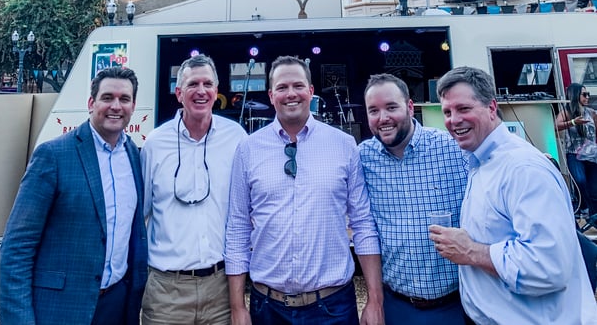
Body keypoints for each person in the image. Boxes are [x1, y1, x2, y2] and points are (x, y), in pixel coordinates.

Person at [431, 66, 597, 325]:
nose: (453, 120)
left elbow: (548, 266)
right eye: (447, 112)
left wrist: (470, 251)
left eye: (464, 109)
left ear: (492, 107)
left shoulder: (523, 168)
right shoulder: (482, 161)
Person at [226, 55, 384, 325]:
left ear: (310, 91)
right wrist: (237, 306)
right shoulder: (248, 149)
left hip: (332, 306)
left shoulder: (344, 145)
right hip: (267, 307)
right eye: (282, 88)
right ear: (271, 94)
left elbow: (363, 224)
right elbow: (238, 227)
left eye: (298, 86)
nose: (291, 94)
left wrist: (375, 300)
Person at [0, 66, 147, 325]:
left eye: (124, 99)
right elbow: (17, 247)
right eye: (107, 97)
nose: (116, 106)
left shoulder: (134, 155)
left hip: (117, 306)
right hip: (61, 309)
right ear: (91, 103)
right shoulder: (53, 156)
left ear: (133, 106)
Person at [141, 53, 246, 325]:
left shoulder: (236, 138)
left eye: (208, 84)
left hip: (221, 288)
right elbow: (140, 215)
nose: (201, 91)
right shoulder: (155, 144)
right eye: (192, 84)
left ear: (216, 91)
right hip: (166, 292)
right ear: (178, 93)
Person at [359, 73, 469, 324]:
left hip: (456, 303)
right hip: (397, 306)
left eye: (391, 107)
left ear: (410, 107)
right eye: (373, 110)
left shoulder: (452, 148)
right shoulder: (363, 158)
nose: (383, 118)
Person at [555, 83, 597, 215]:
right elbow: (556, 126)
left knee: (594, 188)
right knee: (580, 180)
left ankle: (592, 214)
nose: (587, 97)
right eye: (584, 95)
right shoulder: (566, 112)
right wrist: (573, 122)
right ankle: (584, 207)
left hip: (592, 155)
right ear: (575, 95)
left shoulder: (591, 112)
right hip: (575, 154)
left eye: (588, 94)